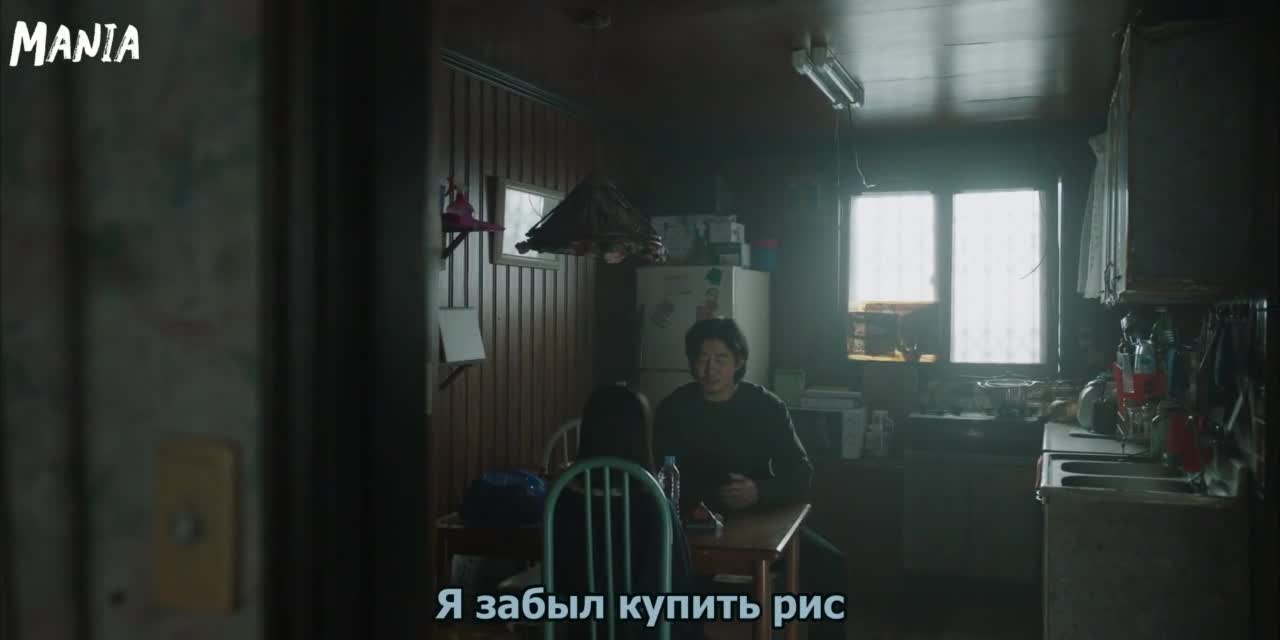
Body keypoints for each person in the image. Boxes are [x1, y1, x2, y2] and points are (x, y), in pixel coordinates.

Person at [653, 318, 848, 640]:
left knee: (830, 564)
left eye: (721, 359)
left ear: (739, 362)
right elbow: (660, 475)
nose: (710, 369)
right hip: (693, 525)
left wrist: (758, 491)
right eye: (702, 358)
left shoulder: (766, 406)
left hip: (759, 520)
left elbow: (802, 473)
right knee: (670, 578)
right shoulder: (673, 408)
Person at [550, 384, 701, 640]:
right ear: (639, 437)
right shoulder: (653, 502)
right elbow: (679, 580)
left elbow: (557, 575)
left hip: (583, 629)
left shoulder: (563, 497)